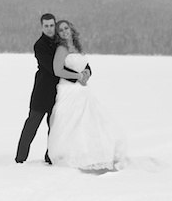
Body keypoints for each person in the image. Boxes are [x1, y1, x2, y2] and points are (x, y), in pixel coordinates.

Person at [47, 20, 127, 172]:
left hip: (83, 90)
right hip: (68, 89)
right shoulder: (61, 49)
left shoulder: (77, 47)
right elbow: (57, 70)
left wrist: (86, 74)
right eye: (60, 30)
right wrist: (77, 76)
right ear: (58, 34)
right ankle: (69, 155)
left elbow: (85, 65)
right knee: (71, 122)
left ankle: (91, 152)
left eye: (66, 28)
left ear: (71, 29)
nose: (64, 31)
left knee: (89, 121)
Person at [15, 14, 89, 163]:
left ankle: (50, 157)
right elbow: (53, 68)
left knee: (55, 127)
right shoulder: (39, 45)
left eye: (51, 25)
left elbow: (76, 62)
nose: (49, 29)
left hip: (60, 92)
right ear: (42, 27)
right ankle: (20, 158)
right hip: (43, 90)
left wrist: (86, 72)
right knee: (32, 124)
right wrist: (78, 77)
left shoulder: (61, 42)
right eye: (46, 26)